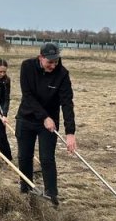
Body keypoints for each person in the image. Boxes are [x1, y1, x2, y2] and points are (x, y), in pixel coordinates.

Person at [16, 43, 76, 206]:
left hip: (50, 123)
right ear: (40, 58)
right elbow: (27, 95)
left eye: (56, 61)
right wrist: (44, 116)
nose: (53, 65)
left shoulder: (62, 74)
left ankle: (51, 195)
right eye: (50, 62)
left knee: (47, 158)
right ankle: (26, 191)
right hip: (26, 118)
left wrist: (70, 132)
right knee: (24, 156)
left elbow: (67, 103)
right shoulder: (27, 67)